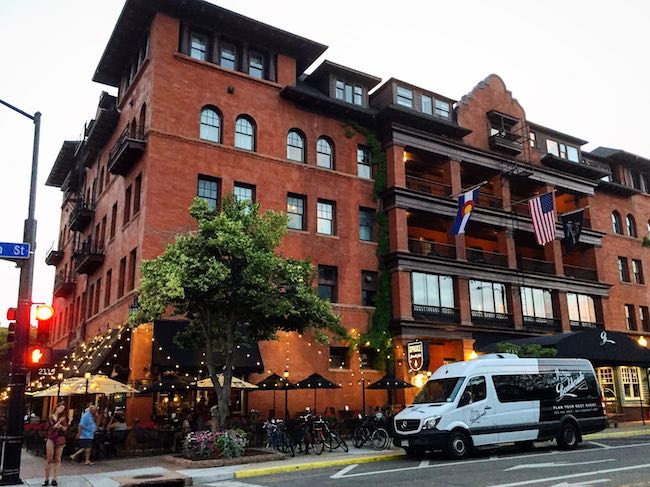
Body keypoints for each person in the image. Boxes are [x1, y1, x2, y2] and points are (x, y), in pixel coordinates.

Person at [43, 402, 67, 486]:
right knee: (49, 459)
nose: (61, 410)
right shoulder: (50, 417)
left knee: (58, 459)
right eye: (60, 408)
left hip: (60, 439)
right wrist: (58, 423)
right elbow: (49, 429)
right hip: (51, 438)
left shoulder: (63, 418)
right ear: (56, 408)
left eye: (63, 409)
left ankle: (55, 479)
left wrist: (61, 426)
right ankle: (46, 479)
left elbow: (65, 429)